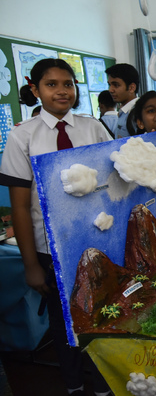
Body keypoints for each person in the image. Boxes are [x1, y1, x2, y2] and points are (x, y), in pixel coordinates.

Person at [0, 58, 111, 396]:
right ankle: (74, 386)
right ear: (35, 90)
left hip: (96, 241)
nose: (62, 90)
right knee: (64, 327)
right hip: (51, 250)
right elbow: (19, 205)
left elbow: (114, 180)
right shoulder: (23, 136)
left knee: (103, 318)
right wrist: (31, 264)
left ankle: (105, 386)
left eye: (68, 83)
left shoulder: (92, 128)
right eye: (51, 84)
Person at [105, 63, 139, 138]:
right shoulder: (124, 112)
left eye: (116, 85)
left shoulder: (137, 113)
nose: (110, 90)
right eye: (109, 85)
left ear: (131, 88)